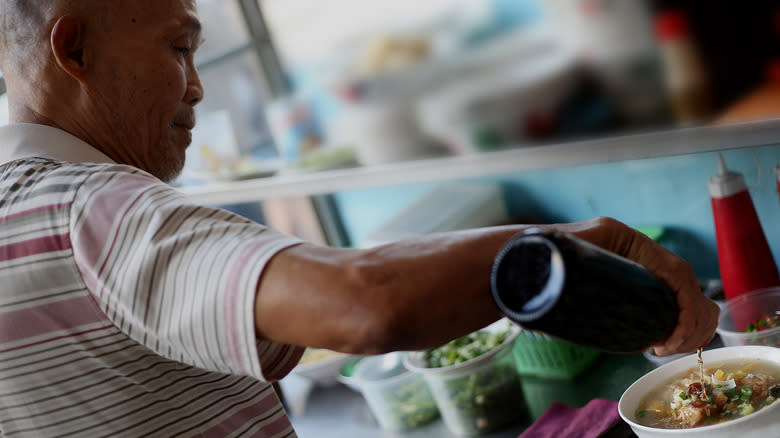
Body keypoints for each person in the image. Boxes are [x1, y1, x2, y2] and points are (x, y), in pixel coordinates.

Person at [0, 1, 719, 437]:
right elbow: (364, 300)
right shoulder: (93, 211)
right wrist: (583, 243)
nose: (197, 85)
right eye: (179, 47)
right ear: (75, 51)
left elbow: (346, 283)